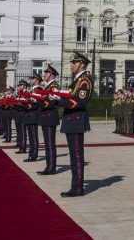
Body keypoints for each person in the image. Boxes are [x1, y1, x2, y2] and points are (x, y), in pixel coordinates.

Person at [56, 52, 93, 197]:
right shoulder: (77, 80)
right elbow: (72, 97)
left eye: (74, 62)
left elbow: (79, 102)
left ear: (82, 64)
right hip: (72, 119)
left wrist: (59, 101)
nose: (71, 65)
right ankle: (75, 185)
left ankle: (77, 188)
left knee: (77, 154)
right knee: (73, 154)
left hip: (76, 119)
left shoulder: (85, 80)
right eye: (72, 62)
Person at [37, 65, 61, 175]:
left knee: (50, 143)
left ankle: (51, 167)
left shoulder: (54, 86)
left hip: (50, 116)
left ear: (51, 74)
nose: (44, 75)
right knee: (47, 143)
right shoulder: (47, 86)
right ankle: (48, 166)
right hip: (46, 116)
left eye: (46, 73)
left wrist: (42, 101)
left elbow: (52, 102)